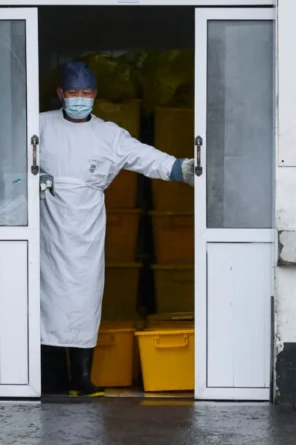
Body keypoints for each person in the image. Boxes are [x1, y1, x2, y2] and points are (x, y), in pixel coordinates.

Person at [39, 62, 195, 397]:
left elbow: (144, 157)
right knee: (44, 303)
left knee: (83, 300)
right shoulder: (38, 125)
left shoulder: (108, 134)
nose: (79, 99)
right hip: (45, 226)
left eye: (85, 93)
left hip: (86, 228)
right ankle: (49, 380)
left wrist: (181, 168)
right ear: (60, 95)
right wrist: (30, 179)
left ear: (94, 95)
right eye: (73, 93)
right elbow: (8, 159)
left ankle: (81, 378)